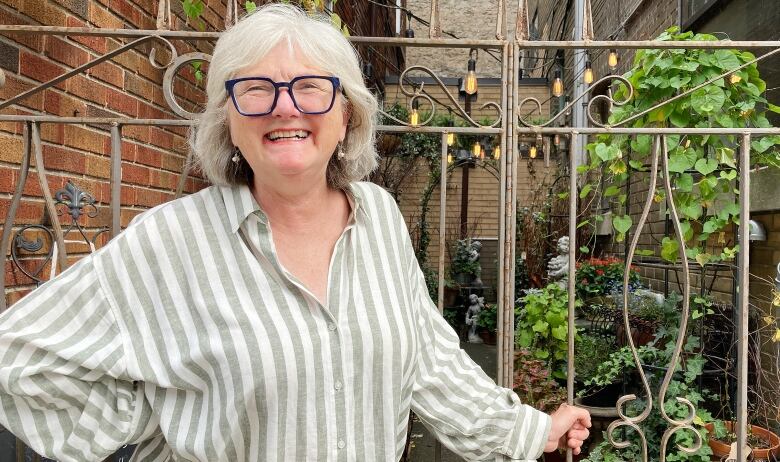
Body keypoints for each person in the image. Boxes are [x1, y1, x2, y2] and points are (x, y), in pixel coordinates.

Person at [0, 4, 590, 461]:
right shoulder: (173, 240)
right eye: (255, 89)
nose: (285, 108)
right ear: (229, 120)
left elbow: (429, 359)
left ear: (346, 116)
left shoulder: (379, 217)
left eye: (310, 86)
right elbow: (20, 358)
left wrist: (526, 430)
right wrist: (152, 415)